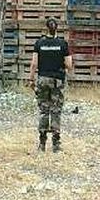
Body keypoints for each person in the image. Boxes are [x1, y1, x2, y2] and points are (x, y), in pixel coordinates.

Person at [29, 17, 73, 153]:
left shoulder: (39, 43)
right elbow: (69, 65)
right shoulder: (63, 44)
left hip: (42, 79)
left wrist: (31, 80)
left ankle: (42, 144)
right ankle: (56, 145)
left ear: (46, 28)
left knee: (43, 111)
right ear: (57, 28)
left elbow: (34, 64)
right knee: (56, 111)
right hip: (57, 80)